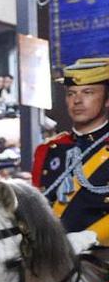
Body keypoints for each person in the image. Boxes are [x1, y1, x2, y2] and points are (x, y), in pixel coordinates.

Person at [32, 57, 109, 265]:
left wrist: (90, 236)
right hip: (53, 261)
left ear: (107, 99)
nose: (77, 101)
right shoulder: (47, 150)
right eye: (71, 94)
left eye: (88, 92)